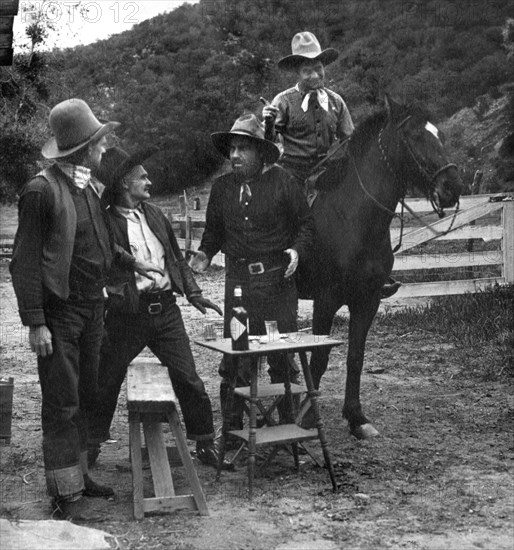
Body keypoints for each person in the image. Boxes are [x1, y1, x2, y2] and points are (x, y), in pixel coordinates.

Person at [9, 99, 162, 522]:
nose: (104, 147)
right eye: (99, 141)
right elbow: (23, 262)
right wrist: (36, 322)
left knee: (87, 395)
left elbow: (99, 244)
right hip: (60, 316)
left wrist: (132, 262)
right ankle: (63, 492)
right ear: (83, 148)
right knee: (61, 402)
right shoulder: (41, 191)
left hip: (93, 311)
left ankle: (79, 475)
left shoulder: (88, 188)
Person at [86, 146, 234, 472]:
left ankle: (205, 442)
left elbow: (176, 259)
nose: (149, 181)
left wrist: (194, 295)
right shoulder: (105, 221)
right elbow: (105, 255)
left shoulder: (154, 214)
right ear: (125, 183)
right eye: (143, 176)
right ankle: (91, 444)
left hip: (166, 311)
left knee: (188, 378)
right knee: (105, 379)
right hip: (127, 315)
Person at [187, 114, 314, 436]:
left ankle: (287, 428)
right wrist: (206, 253)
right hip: (238, 288)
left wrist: (297, 251)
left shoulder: (284, 183)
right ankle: (231, 431)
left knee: (281, 357)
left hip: (276, 285)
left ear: (260, 153)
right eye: (232, 149)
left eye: (243, 148)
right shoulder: (222, 188)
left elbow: (306, 225)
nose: (234, 155)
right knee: (236, 356)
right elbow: (214, 231)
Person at [263, 31, 401, 299]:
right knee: (287, 216)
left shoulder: (336, 102)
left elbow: (350, 139)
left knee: (357, 206)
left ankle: (373, 270)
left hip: (328, 171)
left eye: (318, 68)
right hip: (292, 172)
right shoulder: (282, 101)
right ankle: (280, 269)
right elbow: (269, 144)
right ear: (297, 72)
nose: (314, 76)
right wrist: (268, 122)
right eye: (307, 70)